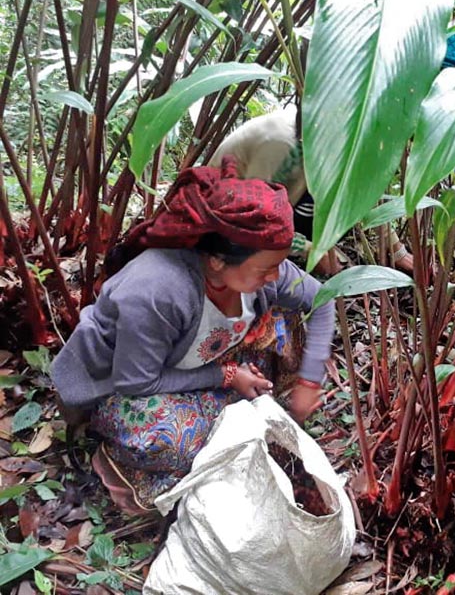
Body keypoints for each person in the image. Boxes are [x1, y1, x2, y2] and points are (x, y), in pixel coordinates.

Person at [52, 156, 335, 515]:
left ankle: (248, 417)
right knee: (169, 438)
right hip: (120, 387)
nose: (275, 275)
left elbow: (323, 300)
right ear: (217, 260)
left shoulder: (257, 264)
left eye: (280, 264)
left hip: (204, 354)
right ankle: (116, 461)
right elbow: (137, 382)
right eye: (266, 268)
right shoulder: (156, 290)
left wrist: (309, 381)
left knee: (286, 323)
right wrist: (228, 376)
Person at [209, 105, 416, 274]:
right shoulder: (285, 148)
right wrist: (309, 251)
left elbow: (361, 191)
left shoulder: (325, 139)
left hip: (275, 207)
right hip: (224, 224)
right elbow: (254, 222)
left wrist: (397, 251)